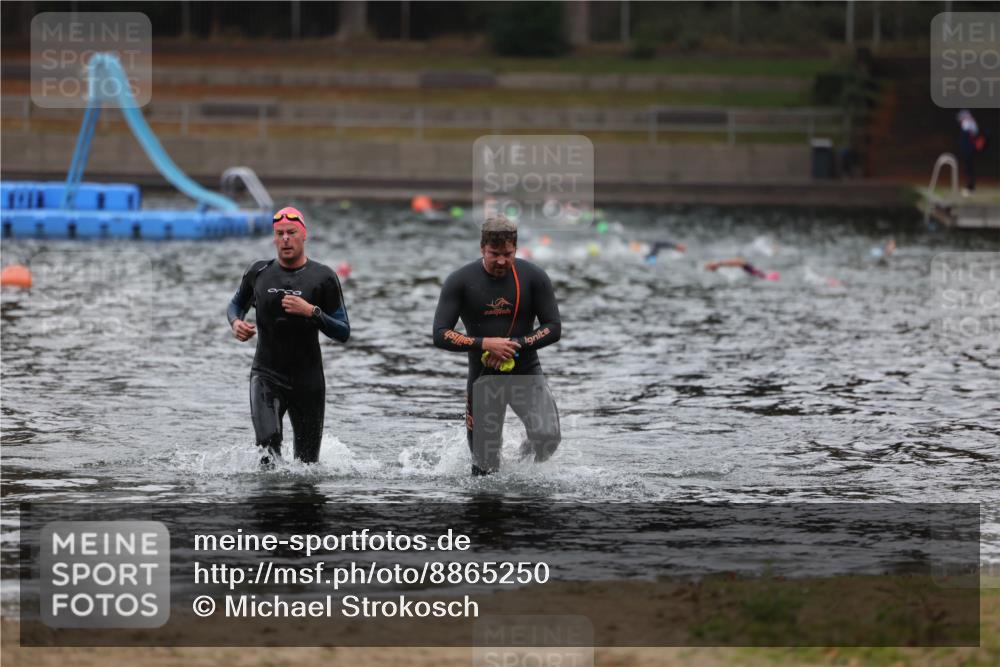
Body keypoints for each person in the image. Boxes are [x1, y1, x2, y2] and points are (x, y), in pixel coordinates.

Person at [433, 216, 562, 475]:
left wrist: (514, 345)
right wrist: (484, 344)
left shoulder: (534, 277)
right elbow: (440, 333)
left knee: (548, 438)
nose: (502, 260)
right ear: (482, 248)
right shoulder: (459, 281)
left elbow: (553, 327)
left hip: (525, 372)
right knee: (485, 468)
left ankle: (521, 469)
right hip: (484, 379)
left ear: (515, 248)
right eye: (494, 254)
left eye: (508, 253)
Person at [227, 206, 350, 466]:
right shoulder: (258, 273)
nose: (285, 238)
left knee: (307, 465)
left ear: (304, 235)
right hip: (266, 375)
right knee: (268, 444)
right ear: (274, 238)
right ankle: (269, 503)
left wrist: (312, 311)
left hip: (308, 382)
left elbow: (343, 331)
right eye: (280, 233)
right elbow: (235, 305)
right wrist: (236, 322)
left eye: (291, 232)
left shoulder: (323, 277)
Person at [957, 110, 983, 195]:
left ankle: (970, 187)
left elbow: (971, 136)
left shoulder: (968, 123)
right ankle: (970, 187)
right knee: (969, 168)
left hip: (969, 149)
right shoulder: (971, 123)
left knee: (969, 169)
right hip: (969, 149)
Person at [705, 257, 779, 281]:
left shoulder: (748, 268)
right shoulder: (721, 270)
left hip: (766, 277)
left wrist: (719, 263)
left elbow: (740, 262)